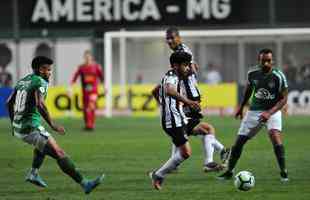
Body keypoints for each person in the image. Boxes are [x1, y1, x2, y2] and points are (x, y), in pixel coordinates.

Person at [6, 56, 104, 194]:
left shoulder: (24, 81)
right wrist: (53, 125)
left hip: (20, 127)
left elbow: (9, 102)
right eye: (48, 70)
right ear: (41, 70)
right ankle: (85, 184)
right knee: (59, 152)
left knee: (42, 146)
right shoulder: (41, 82)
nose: (50, 73)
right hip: (30, 128)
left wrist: (13, 123)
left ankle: (33, 173)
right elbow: (40, 104)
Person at [152, 27, 230, 172]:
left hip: (188, 96)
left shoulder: (182, 51)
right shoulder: (181, 51)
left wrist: (185, 74)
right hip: (187, 96)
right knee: (188, 128)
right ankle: (218, 153)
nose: (169, 41)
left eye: (172, 38)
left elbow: (193, 68)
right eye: (167, 38)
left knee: (185, 127)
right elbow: (194, 66)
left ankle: (216, 155)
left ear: (179, 37)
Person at [217, 48, 289, 182]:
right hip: (254, 110)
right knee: (239, 142)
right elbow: (249, 90)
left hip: (272, 110)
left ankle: (284, 172)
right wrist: (241, 107)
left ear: (272, 61)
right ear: (259, 61)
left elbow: (284, 99)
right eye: (263, 61)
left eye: (269, 61)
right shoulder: (252, 73)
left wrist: (269, 112)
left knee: (274, 135)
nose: (266, 63)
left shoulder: (279, 76)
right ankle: (229, 171)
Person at [149, 51, 201, 190]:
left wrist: (164, 104)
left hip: (180, 118)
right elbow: (169, 90)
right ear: (176, 66)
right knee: (186, 153)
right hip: (173, 120)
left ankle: (211, 157)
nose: (188, 68)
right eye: (186, 65)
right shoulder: (171, 76)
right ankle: (158, 175)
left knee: (205, 130)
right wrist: (188, 102)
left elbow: (154, 91)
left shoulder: (174, 76)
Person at [71, 50, 104, 131]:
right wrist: (71, 87)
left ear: (91, 57)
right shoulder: (81, 67)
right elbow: (75, 77)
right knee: (85, 108)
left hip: (94, 91)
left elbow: (102, 78)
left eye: (88, 57)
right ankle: (87, 124)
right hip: (85, 92)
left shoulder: (96, 67)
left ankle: (91, 125)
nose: (87, 59)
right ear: (84, 58)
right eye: (86, 57)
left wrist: (104, 87)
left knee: (91, 106)